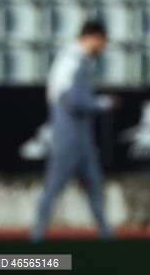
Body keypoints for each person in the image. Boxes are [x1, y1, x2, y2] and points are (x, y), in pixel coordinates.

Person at [32, 20, 119, 241]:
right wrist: (103, 103)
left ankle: (105, 233)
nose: (102, 47)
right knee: (53, 186)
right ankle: (37, 234)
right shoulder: (70, 62)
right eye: (102, 41)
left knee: (94, 186)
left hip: (81, 139)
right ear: (94, 37)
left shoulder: (78, 61)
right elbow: (70, 100)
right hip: (66, 139)